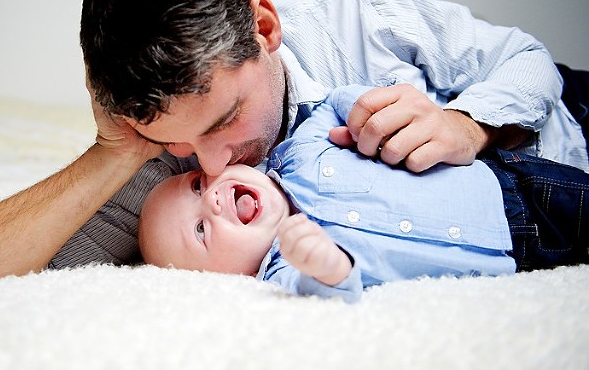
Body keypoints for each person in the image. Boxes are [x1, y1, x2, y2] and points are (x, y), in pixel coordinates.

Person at [0, 0, 588, 282]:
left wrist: (467, 123)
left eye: (221, 120)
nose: (212, 162)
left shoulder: (352, 4)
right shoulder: (161, 165)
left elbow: (526, 62)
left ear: (264, 29)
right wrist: (115, 151)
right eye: (179, 147)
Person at [138, 85, 589, 302]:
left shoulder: (298, 152)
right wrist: (323, 263)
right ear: (222, 278)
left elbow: (336, 102)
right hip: (521, 256)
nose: (213, 199)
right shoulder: (282, 272)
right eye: (200, 230)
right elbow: (334, 289)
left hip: (508, 187)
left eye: (196, 185)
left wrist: (367, 109)